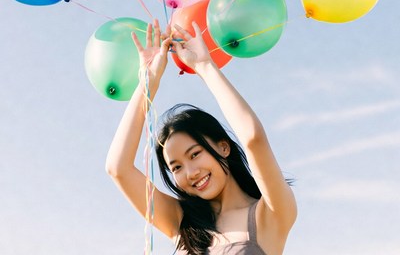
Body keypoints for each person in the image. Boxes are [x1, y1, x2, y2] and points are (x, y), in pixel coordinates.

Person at [105, 19, 297, 255]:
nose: (190, 172)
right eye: (176, 167)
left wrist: (205, 66)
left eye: (194, 154)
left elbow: (253, 139)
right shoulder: (182, 223)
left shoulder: (270, 213)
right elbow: (117, 168)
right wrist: (148, 81)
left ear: (223, 147)